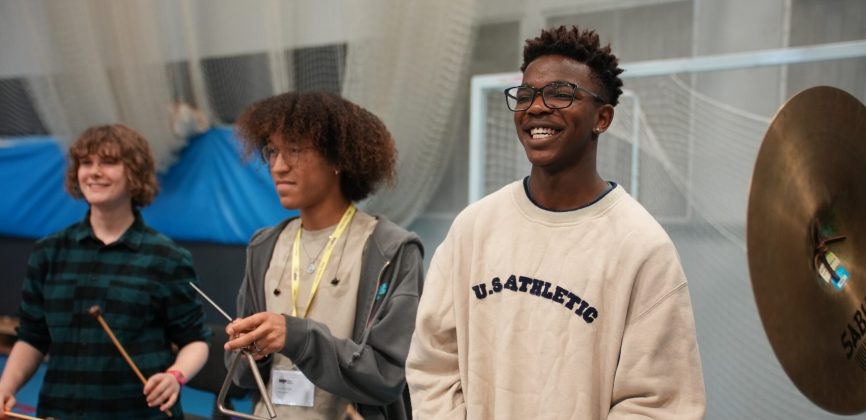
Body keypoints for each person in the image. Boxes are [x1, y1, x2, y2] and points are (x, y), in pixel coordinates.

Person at [406, 26, 706, 419]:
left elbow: (660, 403)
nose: (535, 107)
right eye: (526, 94)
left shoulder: (642, 246)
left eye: (560, 94)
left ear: (602, 117)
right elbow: (433, 361)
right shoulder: (474, 228)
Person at [223, 92, 425, 420]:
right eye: (272, 151)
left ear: (339, 158)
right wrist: (250, 351)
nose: (278, 165)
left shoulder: (390, 250)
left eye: (295, 150)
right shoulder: (264, 246)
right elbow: (241, 377)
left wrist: (298, 337)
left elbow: (388, 375)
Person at [0, 124, 210, 419]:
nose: (94, 172)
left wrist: (175, 376)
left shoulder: (167, 257)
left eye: (108, 162)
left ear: (134, 173)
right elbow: (33, 337)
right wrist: (4, 388)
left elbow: (195, 341)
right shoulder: (49, 251)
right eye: (87, 163)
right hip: (60, 411)